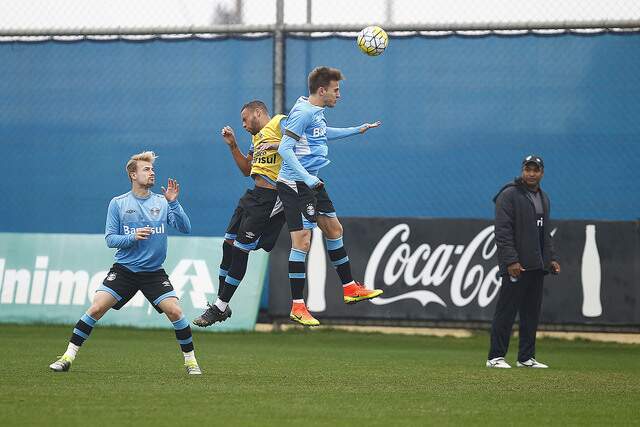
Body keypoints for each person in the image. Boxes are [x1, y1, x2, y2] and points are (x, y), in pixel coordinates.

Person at [49, 151, 201, 375]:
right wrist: (132, 237)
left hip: (153, 273)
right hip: (125, 270)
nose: (152, 173)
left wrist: (174, 203)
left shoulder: (162, 202)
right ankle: (67, 357)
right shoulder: (118, 204)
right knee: (96, 308)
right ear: (133, 174)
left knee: (176, 312)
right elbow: (110, 239)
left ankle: (191, 362)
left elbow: (185, 227)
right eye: (146, 169)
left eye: (152, 169)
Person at [276, 66, 384, 326]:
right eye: (336, 90)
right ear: (322, 90)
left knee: (334, 230)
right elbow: (284, 148)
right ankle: (297, 307)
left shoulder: (315, 111)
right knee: (302, 242)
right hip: (295, 183)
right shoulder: (302, 113)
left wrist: (356, 129)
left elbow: (323, 134)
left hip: (312, 182)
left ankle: (349, 288)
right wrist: (307, 177)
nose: (339, 95)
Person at [193, 100, 286, 327]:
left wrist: (277, 144)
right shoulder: (256, 138)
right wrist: (233, 145)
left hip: (271, 198)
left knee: (241, 251)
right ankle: (221, 303)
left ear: (258, 112)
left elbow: (299, 142)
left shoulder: (280, 122)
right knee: (228, 244)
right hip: (253, 196)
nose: (243, 125)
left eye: (245, 119)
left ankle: (219, 306)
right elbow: (247, 170)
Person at [487, 155, 561, 369]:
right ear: (522, 171)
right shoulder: (509, 194)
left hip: (537, 266)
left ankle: (525, 358)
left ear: (542, 173)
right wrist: (511, 261)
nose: (531, 173)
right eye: (528, 169)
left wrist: (551, 258)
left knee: (530, 314)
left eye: (535, 170)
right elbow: (502, 232)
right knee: (506, 312)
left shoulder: (544, 197)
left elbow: (545, 233)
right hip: (516, 266)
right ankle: (495, 357)